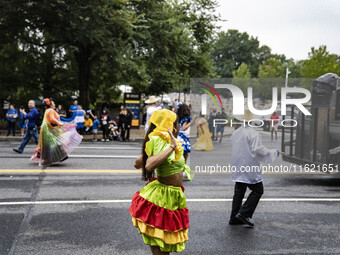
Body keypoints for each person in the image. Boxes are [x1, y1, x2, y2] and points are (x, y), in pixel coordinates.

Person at [129, 109, 193, 254]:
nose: (177, 127)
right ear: (171, 125)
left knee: (164, 243)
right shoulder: (161, 141)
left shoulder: (166, 140)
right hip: (161, 199)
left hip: (173, 196)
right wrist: (171, 147)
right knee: (160, 243)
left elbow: (138, 163)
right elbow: (148, 165)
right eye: (176, 123)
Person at [229, 109, 281, 227]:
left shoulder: (236, 133)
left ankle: (234, 217)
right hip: (249, 166)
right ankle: (244, 213)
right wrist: (274, 152)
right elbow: (259, 150)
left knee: (239, 192)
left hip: (238, 166)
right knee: (258, 190)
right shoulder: (253, 133)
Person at [30, 98, 82, 167]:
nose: (55, 105)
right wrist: (60, 123)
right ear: (51, 105)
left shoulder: (47, 110)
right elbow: (52, 119)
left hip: (46, 130)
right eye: (54, 104)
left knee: (51, 145)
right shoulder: (51, 110)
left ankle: (53, 157)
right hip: (49, 130)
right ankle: (57, 157)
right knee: (55, 144)